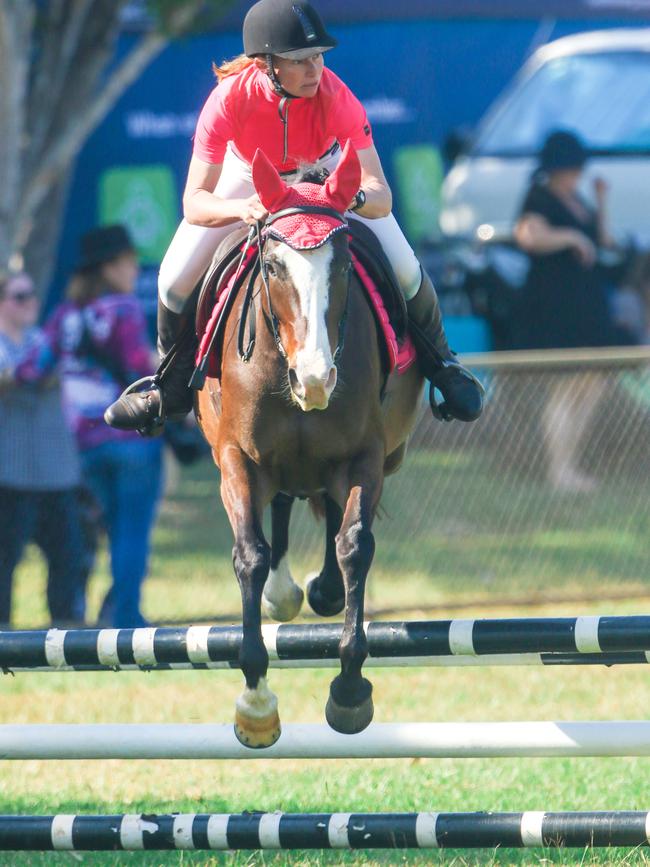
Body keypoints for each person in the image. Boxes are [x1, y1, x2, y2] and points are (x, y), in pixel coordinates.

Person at [104, 0, 484, 434]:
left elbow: (382, 195)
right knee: (171, 279)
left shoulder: (337, 97)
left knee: (405, 268)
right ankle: (168, 388)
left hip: (325, 173)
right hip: (248, 176)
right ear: (267, 65)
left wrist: (349, 197)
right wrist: (238, 208)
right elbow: (195, 201)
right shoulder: (228, 100)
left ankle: (445, 366)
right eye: (300, 60)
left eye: (318, 57)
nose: (314, 70)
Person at [16, 227, 164, 626]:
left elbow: (32, 370)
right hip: (132, 443)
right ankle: (125, 615)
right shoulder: (124, 310)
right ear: (109, 267)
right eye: (129, 262)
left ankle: (79, 611)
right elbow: (138, 368)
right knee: (130, 531)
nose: (135, 269)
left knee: (91, 533)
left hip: (80, 446)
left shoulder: (65, 315)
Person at [514, 130, 621, 492]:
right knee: (565, 385)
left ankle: (572, 462)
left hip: (587, 305)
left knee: (593, 382)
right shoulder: (540, 197)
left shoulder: (577, 198)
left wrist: (601, 202)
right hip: (557, 306)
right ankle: (559, 468)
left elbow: (603, 241)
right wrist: (570, 238)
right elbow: (528, 236)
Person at [0, 272, 84, 626]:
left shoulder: (41, 340)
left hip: (56, 471)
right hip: (9, 472)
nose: (30, 301)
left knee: (69, 557)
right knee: (5, 561)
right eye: (20, 295)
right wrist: (26, 373)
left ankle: (66, 630)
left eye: (33, 295)